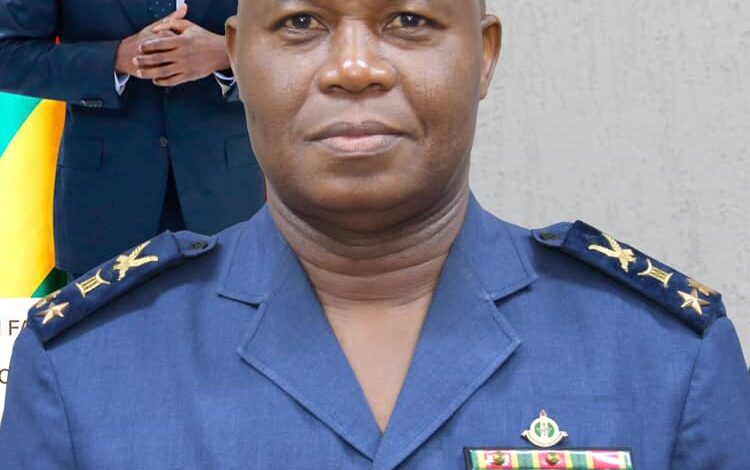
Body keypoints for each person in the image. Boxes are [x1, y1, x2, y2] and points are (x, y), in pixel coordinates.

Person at [1, 0, 749, 468]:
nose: (354, 70)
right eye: (301, 23)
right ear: (244, 54)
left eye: (409, 21)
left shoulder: (666, 357)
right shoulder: (83, 368)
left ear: (484, 55)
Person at [0, 0, 265, 277]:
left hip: (229, 201)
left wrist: (227, 52)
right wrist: (115, 58)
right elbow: (8, 54)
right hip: (103, 210)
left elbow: (294, 40)